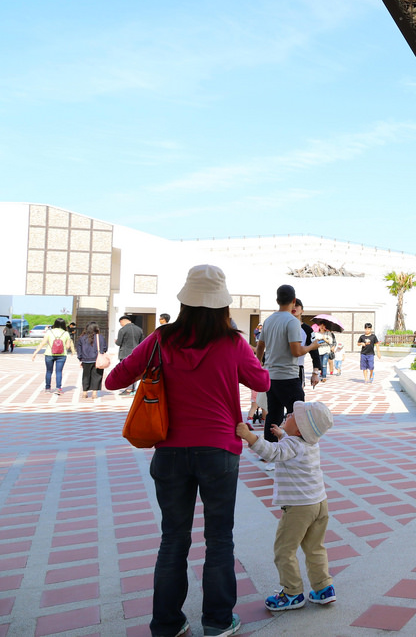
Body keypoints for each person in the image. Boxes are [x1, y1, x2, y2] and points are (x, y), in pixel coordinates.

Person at [106, 264, 270, 637]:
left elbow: (115, 379)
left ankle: (166, 623)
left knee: (173, 539)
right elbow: (262, 379)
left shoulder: (161, 339)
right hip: (219, 452)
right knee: (219, 538)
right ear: (221, 305)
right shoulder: (232, 342)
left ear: (185, 302)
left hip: (170, 453)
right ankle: (216, 621)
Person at [236, 401, 336, 611]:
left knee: (284, 550)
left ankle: (292, 593)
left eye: (291, 416)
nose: (287, 415)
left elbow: (272, 452)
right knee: (315, 547)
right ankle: (323, 588)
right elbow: (293, 448)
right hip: (319, 503)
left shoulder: (291, 445)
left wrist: (249, 436)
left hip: (299, 508)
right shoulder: (310, 444)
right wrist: (283, 434)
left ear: (299, 429)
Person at [255, 286, 318, 456]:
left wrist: (260, 366)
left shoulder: (268, 321)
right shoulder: (292, 322)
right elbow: (296, 351)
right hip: (288, 377)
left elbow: (260, 347)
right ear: (293, 301)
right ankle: (298, 452)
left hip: (271, 377)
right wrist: (312, 346)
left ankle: (269, 453)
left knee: (273, 415)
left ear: (277, 300)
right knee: (298, 415)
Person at [30, 318, 74, 394]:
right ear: (63, 324)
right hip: (61, 354)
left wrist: (35, 352)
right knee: (59, 372)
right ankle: (58, 388)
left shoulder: (49, 332)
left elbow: (43, 343)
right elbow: (67, 346)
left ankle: (47, 388)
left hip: (49, 354)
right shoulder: (66, 333)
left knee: (49, 371)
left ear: (55, 324)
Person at [292, 299, 322, 386]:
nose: (294, 307)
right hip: (281, 369)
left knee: (298, 398)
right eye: (292, 305)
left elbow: (314, 351)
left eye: (297, 305)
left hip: (297, 368)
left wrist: (315, 373)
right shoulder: (282, 326)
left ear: (302, 310)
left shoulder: (307, 329)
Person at [77, 322, 108, 399]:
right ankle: (94, 393)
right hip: (97, 360)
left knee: (86, 376)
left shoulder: (82, 337)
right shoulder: (100, 337)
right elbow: (104, 348)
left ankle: (84, 392)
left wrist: (80, 358)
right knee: (97, 376)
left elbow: (79, 349)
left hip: (86, 360)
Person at [115, 314, 144, 395]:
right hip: (136, 354)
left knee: (126, 372)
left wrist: (116, 341)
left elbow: (119, 342)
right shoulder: (139, 329)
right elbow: (142, 342)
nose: (121, 324)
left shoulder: (122, 330)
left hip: (125, 354)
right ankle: (133, 389)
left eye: (120, 323)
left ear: (122, 321)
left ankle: (128, 389)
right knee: (134, 372)